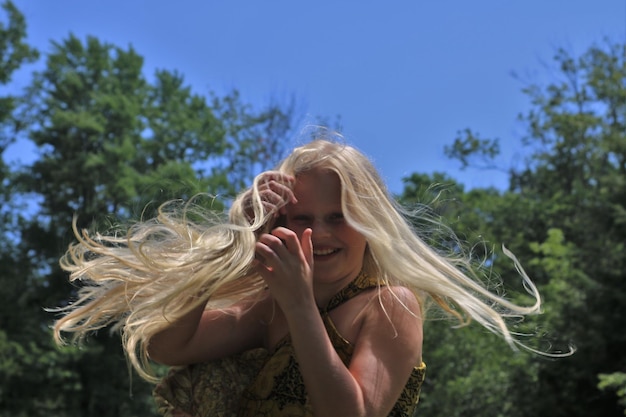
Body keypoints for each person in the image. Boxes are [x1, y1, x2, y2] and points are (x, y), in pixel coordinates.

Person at [52, 134, 543, 417]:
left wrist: (300, 306)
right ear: (280, 225)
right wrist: (234, 239)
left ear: (370, 224)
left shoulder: (388, 304)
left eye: (338, 217)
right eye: (302, 218)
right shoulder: (269, 306)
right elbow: (168, 348)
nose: (320, 233)